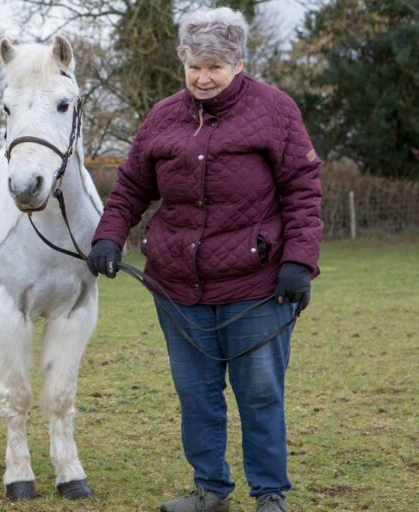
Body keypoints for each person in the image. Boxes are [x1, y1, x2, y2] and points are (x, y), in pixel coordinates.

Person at [87, 7, 322, 512]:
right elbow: (130, 186)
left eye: (214, 66)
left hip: (257, 286)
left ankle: (270, 494)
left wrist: (299, 261)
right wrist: (109, 235)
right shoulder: (162, 116)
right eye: (194, 66)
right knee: (197, 396)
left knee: (259, 395)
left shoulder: (275, 110)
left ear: (238, 62)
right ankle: (210, 490)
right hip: (178, 288)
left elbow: (303, 190)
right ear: (183, 64)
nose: (203, 77)